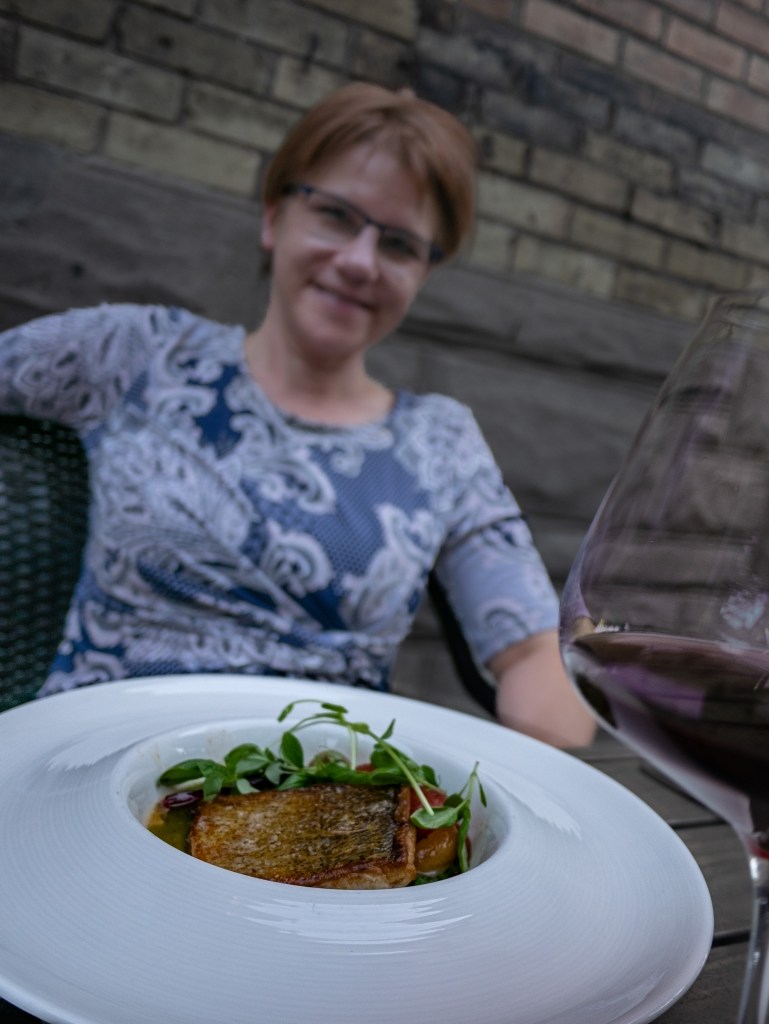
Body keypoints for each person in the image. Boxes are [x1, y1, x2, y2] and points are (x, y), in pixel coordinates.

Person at [0, 81, 595, 749]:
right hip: (90, 758)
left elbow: (529, 650)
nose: (359, 261)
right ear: (273, 215)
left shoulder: (440, 441)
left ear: (424, 273)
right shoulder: (134, 352)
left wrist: (551, 735)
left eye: (399, 244)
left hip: (318, 808)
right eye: (336, 215)